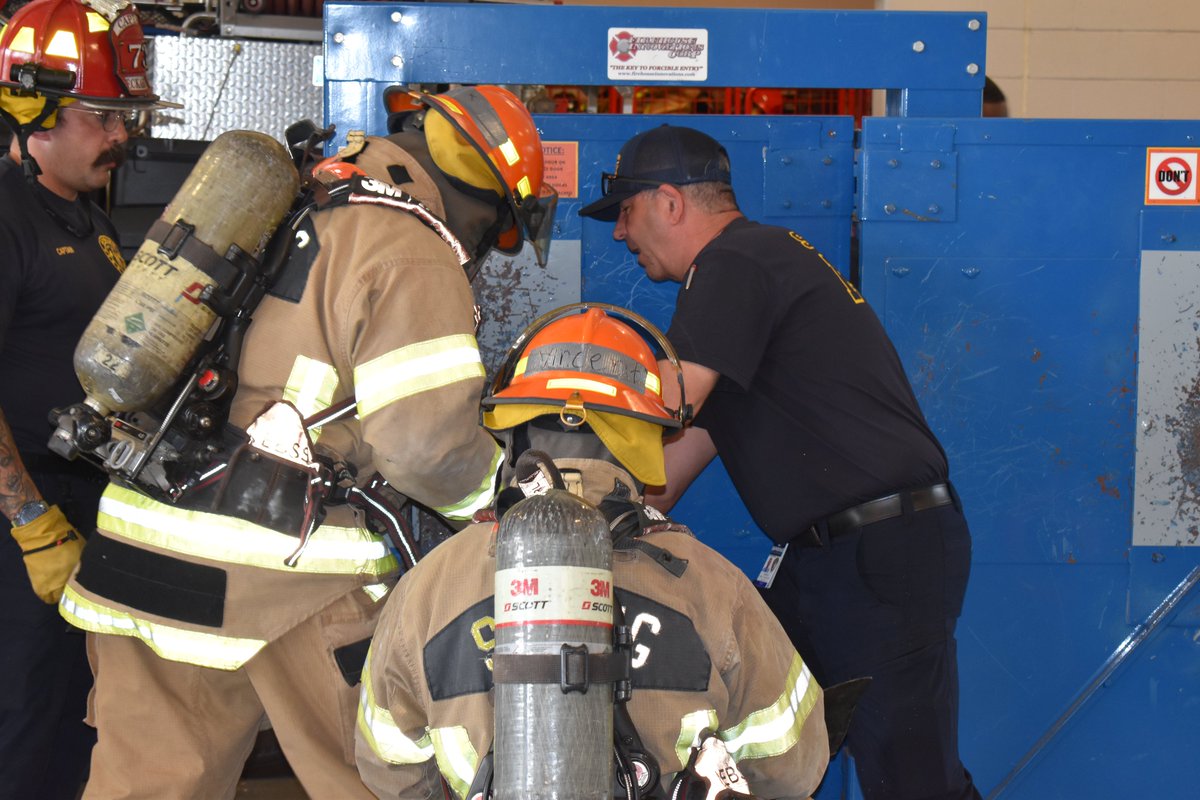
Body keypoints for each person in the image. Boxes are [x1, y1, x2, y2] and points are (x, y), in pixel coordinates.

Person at [59, 84, 556, 799]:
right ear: (480, 194)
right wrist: (512, 500)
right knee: (379, 775)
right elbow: (425, 448)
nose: (483, 247)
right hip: (288, 580)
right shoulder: (410, 247)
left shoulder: (295, 195)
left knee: (143, 785)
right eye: (496, 229)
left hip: (139, 555)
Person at [579, 124, 981, 800]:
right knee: (765, 744)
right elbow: (663, 478)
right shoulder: (743, 292)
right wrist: (572, 517)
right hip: (830, 561)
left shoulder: (737, 262)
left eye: (625, 211)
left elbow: (669, 401)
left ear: (669, 202)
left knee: (913, 780)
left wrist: (559, 406)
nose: (620, 234)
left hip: (878, 552)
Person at [355, 304, 829, 800]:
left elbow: (389, 766)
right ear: (647, 437)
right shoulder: (713, 586)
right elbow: (794, 764)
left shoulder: (427, 590)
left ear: (514, 430)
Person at [0, 1, 176, 797]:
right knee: (23, 732)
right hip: (21, 527)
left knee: (73, 729)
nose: (120, 136)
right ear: (32, 108)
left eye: (125, 116)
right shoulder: (6, 217)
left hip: (82, 511)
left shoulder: (83, 218)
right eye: (104, 115)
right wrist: (29, 522)